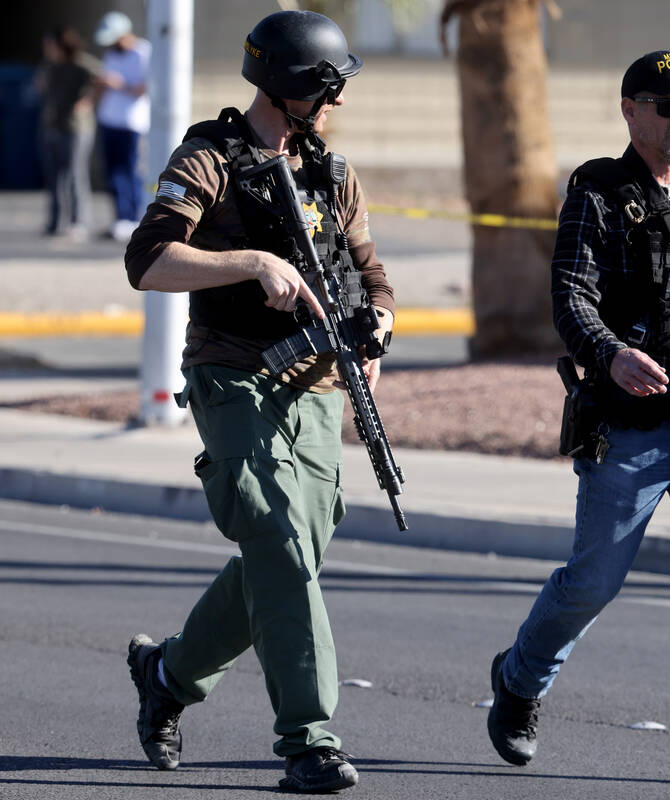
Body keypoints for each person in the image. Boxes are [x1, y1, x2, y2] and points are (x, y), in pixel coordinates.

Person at [485, 50, 670, 787]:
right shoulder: (598, 193)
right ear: (630, 110)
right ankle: (520, 679)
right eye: (667, 104)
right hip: (632, 424)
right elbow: (570, 298)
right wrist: (612, 353)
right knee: (594, 581)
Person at [121, 10, 395, 794]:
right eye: (330, 87)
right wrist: (249, 262)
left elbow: (373, 278)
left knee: (294, 552)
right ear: (294, 85)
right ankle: (310, 739)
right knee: (277, 539)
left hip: (315, 388)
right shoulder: (208, 157)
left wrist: (378, 328)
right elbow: (148, 260)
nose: (337, 103)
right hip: (233, 375)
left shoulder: (334, 175)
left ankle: (168, 674)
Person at [35, 26, 101, 240]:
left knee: (75, 174)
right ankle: (55, 223)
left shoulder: (82, 63)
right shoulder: (50, 66)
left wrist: (87, 101)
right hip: (52, 126)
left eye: (49, 44)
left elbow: (104, 80)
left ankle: (78, 222)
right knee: (53, 176)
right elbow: (40, 87)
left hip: (76, 128)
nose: (46, 49)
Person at [94, 11, 150, 242]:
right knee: (113, 172)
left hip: (132, 123)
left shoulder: (143, 52)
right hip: (109, 120)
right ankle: (121, 218)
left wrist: (119, 84)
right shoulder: (111, 54)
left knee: (131, 171)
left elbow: (145, 87)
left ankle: (135, 218)